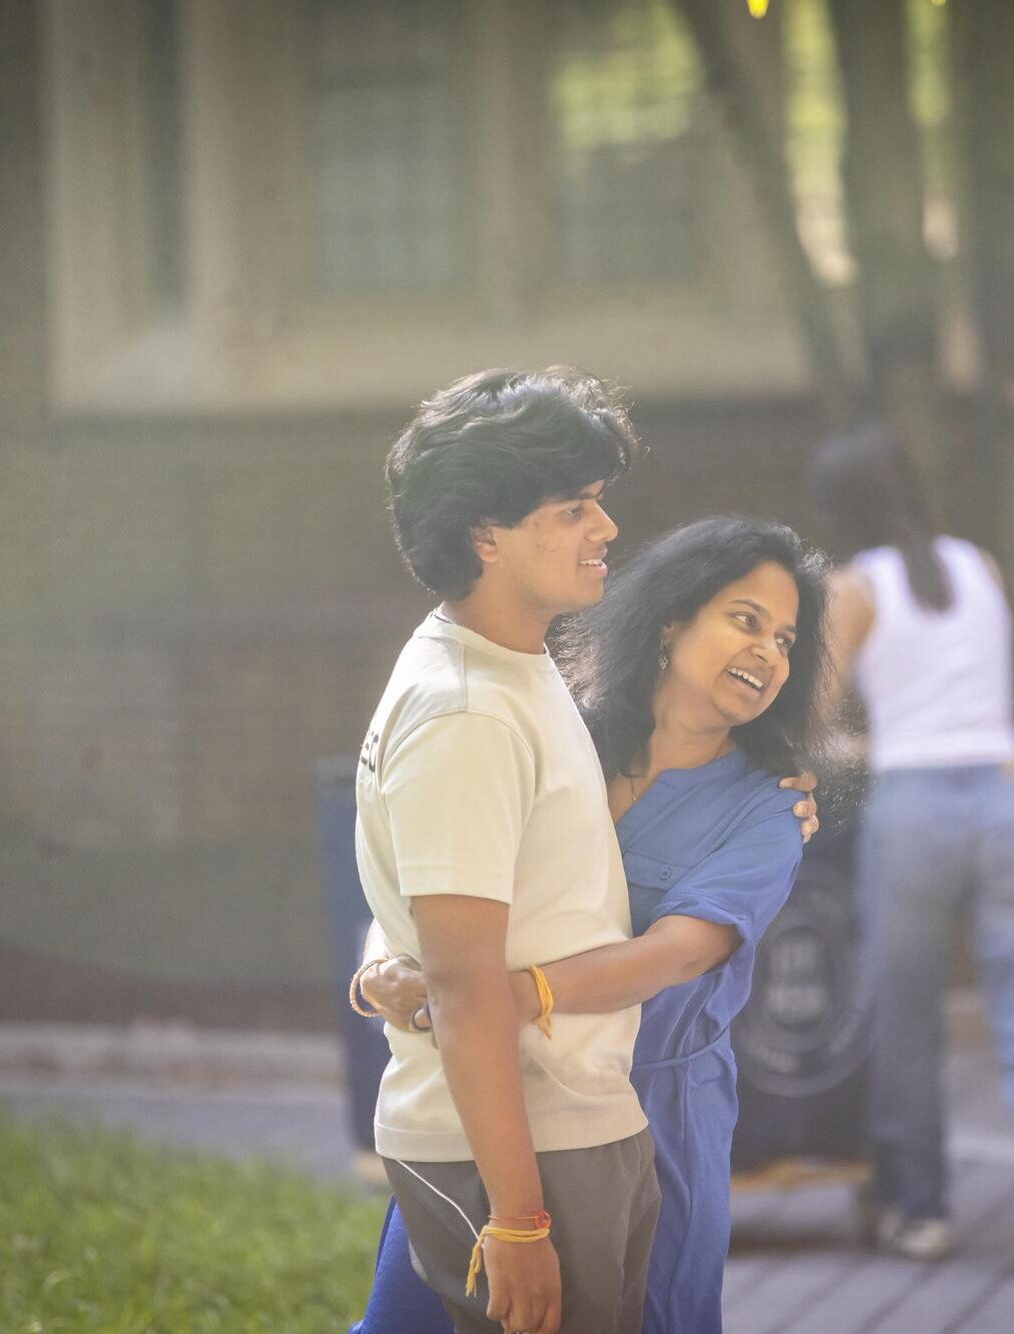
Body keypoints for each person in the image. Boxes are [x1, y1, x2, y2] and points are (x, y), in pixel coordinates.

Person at [352, 515, 834, 1333]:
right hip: (494, 1093)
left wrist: (503, 993)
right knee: (411, 1318)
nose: (768, 653)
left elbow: (676, 953)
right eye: (745, 621)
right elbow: (430, 874)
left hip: (653, 1113)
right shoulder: (554, 725)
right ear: (672, 618)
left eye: (786, 640)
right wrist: (382, 971)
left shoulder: (770, 810)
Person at [354, 367, 658, 1334]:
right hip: (521, 1145)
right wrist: (519, 1222)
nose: (604, 530)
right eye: (573, 508)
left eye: (599, 503)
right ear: (485, 533)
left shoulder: (510, 665)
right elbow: (462, 977)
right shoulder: (467, 710)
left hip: (561, 1121)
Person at [810, 424, 1014, 1278]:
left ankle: (919, 1211)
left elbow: (814, 725)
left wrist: (862, 755)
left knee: (906, 1019)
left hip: (915, 812)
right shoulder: (981, 568)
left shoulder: (851, 588)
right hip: (1010, 797)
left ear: (839, 507)